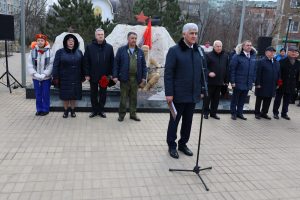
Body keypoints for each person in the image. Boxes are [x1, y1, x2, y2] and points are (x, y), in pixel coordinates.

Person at [164, 23, 205, 159]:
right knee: (174, 121)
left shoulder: (199, 51)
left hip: (193, 94)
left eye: (196, 33)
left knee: (188, 122)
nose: (194, 36)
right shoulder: (174, 50)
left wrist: (201, 89)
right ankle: (172, 145)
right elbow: (169, 73)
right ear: (184, 34)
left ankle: (183, 144)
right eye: (191, 33)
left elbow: (202, 72)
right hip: (178, 95)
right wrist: (169, 93)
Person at [113, 32, 147, 122]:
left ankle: (133, 114)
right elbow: (116, 64)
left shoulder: (140, 51)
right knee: (123, 98)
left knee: (134, 98)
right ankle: (121, 115)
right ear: (128, 39)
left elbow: (144, 65)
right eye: (132, 38)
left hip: (135, 79)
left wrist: (144, 77)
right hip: (124, 78)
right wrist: (115, 76)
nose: (134, 40)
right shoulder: (121, 50)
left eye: (135, 38)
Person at [84, 28, 114, 118]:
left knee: (103, 93)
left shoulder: (109, 47)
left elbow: (112, 62)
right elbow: (86, 61)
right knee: (93, 93)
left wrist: (111, 74)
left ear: (104, 35)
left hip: (105, 76)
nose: (100, 36)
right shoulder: (89, 47)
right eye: (98, 34)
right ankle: (94, 110)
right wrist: (87, 74)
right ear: (95, 35)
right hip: (93, 75)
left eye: (102, 34)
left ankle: (101, 110)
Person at [52, 34, 84, 118]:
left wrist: (83, 76)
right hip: (64, 78)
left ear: (75, 42)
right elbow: (55, 65)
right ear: (66, 42)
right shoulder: (60, 52)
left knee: (74, 95)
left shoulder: (79, 52)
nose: (71, 42)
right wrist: (55, 77)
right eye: (69, 40)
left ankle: (73, 110)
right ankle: (66, 111)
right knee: (65, 96)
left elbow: (83, 65)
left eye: (73, 41)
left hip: (76, 78)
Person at [229, 40, 257, 120]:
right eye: (247, 45)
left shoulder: (253, 57)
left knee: (242, 99)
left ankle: (240, 113)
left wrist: (253, 80)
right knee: (235, 99)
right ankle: (233, 113)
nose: (249, 47)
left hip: (247, 82)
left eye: (250, 45)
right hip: (238, 82)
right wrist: (233, 81)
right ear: (243, 46)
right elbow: (232, 70)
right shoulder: (237, 56)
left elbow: (254, 70)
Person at [27, 34, 53, 116]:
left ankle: (45, 109)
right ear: (36, 41)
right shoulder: (32, 52)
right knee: (38, 94)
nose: (40, 42)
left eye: (42, 40)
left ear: (45, 42)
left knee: (45, 94)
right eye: (38, 40)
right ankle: (39, 109)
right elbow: (29, 64)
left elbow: (51, 65)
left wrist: (45, 74)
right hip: (36, 77)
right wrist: (35, 74)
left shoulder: (50, 52)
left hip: (46, 78)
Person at [203, 40, 228, 120]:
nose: (219, 48)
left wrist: (226, 80)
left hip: (220, 81)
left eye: (220, 46)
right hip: (210, 82)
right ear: (213, 47)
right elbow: (204, 68)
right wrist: (209, 73)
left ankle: (213, 113)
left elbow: (227, 68)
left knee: (216, 99)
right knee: (207, 98)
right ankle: (205, 113)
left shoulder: (225, 56)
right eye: (217, 46)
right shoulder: (208, 55)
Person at [273, 46, 300, 120]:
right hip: (282, 84)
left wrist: (296, 85)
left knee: (287, 100)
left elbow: (297, 75)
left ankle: (284, 113)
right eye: (292, 51)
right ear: (288, 52)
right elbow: (278, 74)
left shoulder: (298, 63)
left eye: (295, 52)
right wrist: (278, 83)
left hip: (291, 84)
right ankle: (275, 113)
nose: (294, 53)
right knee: (278, 99)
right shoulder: (282, 61)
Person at [254, 46, 280, 120]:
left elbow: (279, 74)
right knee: (259, 99)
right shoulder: (261, 61)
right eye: (271, 52)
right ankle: (257, 113)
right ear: (266, 53)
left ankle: (264, 113)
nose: (272, 53)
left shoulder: (276, 62)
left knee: (268, 100)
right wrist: (257, 83)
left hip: (272, 85)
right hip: (262, 85)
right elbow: (257, 73)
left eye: (274, 52)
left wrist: (278, 83)